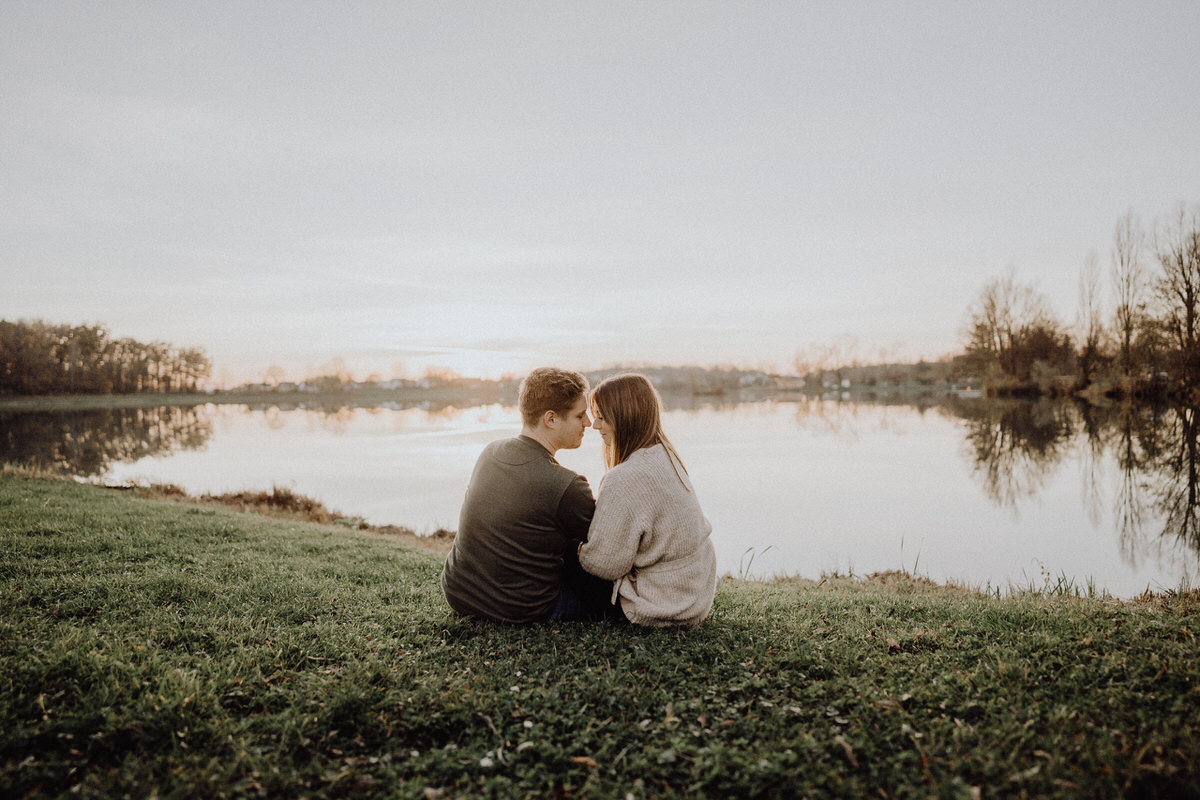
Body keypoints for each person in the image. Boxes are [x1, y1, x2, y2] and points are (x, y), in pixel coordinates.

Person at [441, 367, 613, 623]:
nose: (588, 422)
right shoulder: (567, 485)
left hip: (460, 593)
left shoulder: (491, 452)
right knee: (610, 591)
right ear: (551, 419)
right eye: (580, 415)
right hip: (520, 608)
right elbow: (605, 547)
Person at [579, 372, 718, 627]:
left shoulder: (624, 477)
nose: (594, 425)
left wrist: (578, 549)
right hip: (694, 594)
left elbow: (605, 565)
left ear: (624, 417)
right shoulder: (666, 454)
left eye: (601, 417)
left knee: (568, 564)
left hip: (662, 603)